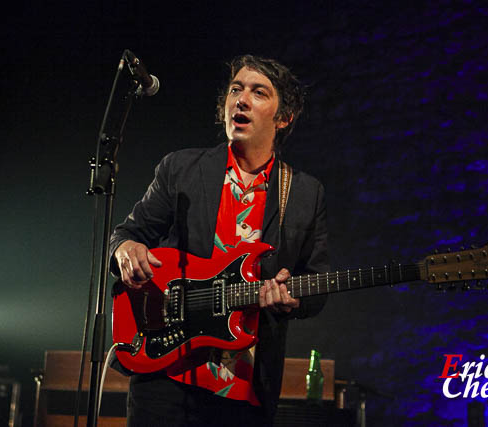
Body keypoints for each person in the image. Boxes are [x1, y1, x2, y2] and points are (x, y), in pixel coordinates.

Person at [110, 55, 329, 426]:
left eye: (259, 93)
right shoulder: (180, 168)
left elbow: (316, 285)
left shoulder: (306, 193)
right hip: (167, 371)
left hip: (244, 386)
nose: (241, 100)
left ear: (284, 117)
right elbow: (128, 233)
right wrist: (125, 249)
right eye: (235, 90)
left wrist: (290, 299)